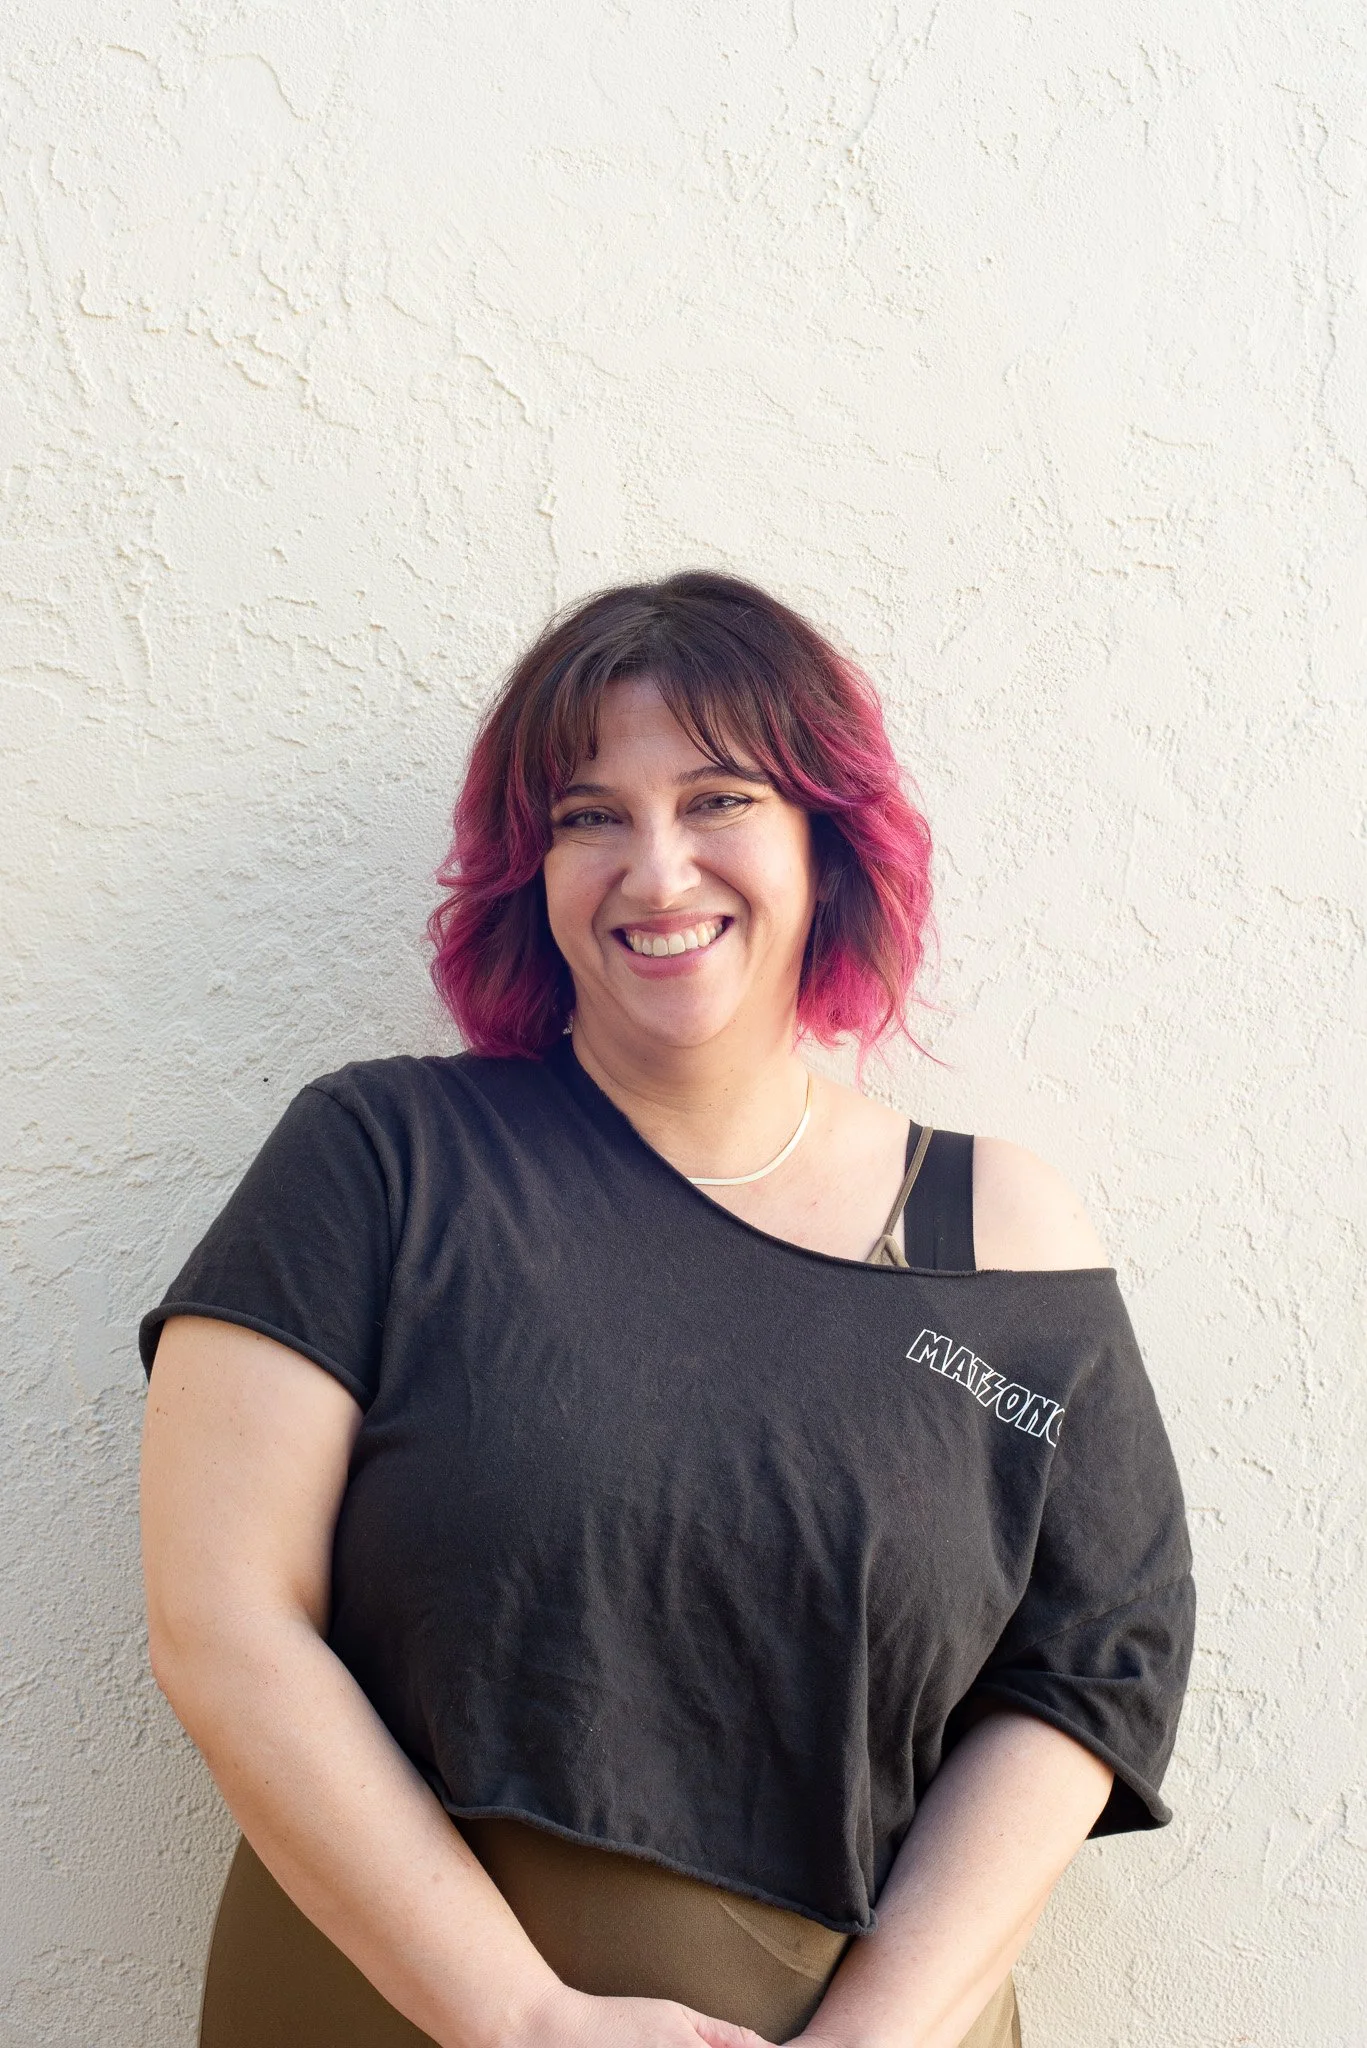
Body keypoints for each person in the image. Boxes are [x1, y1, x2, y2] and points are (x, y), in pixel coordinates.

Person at [140, 571, 1195, 2048]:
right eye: (587, 816)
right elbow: (222, 1617)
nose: (656, 870)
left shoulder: (990, 1239)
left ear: (824, 839)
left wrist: (872, 2039)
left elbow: (1091, 1664)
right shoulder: (381, 1162)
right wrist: (519, 2018)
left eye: (718, 799)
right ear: (531, 869)